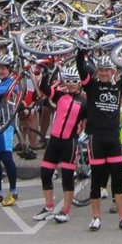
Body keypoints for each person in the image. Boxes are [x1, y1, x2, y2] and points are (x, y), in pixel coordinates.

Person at [77, 51, 122, 231]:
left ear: (113, 72)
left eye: (107, 70)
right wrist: (81, 51)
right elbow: (80, 66)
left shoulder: (118, 86)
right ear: (97, 71)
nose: (104, 73)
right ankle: (96, 218)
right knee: (97, 179)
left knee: (118, 180)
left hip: (113, 138)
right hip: (96, 138)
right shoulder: (91, 86)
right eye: (101, 70)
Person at [35, 63, 85, 223]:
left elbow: (89, 122)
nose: (70, 84)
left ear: (79, 83)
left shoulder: (84, 102)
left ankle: (65, 210)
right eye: (68, 81)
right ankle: (49, 207)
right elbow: (44, 87)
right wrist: (45, 71)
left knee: (67, 178)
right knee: (45, 174)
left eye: (73, 81)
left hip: (70, 143)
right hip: (55, 140)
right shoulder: (59, 95)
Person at [0, 55, 32, 207]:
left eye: (4, 68)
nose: (0, 71)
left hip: (5, 126)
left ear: (10, 70)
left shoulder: (13, 84)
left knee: (6, 158)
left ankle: (13, 191)